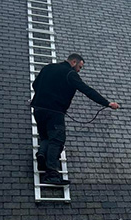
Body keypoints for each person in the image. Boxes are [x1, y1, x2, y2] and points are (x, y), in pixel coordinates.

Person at [31, 53, 120, 185]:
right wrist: (107, 103)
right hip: (55, 112)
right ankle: (52, 174)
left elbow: (35, 85)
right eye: (80, 67)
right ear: (73, 62)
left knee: (46, 137)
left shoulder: (48, 68)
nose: (79, 70)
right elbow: (87, 90)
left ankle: (42, 157)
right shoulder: (70, 74)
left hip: (38, 110)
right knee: (57, 140)